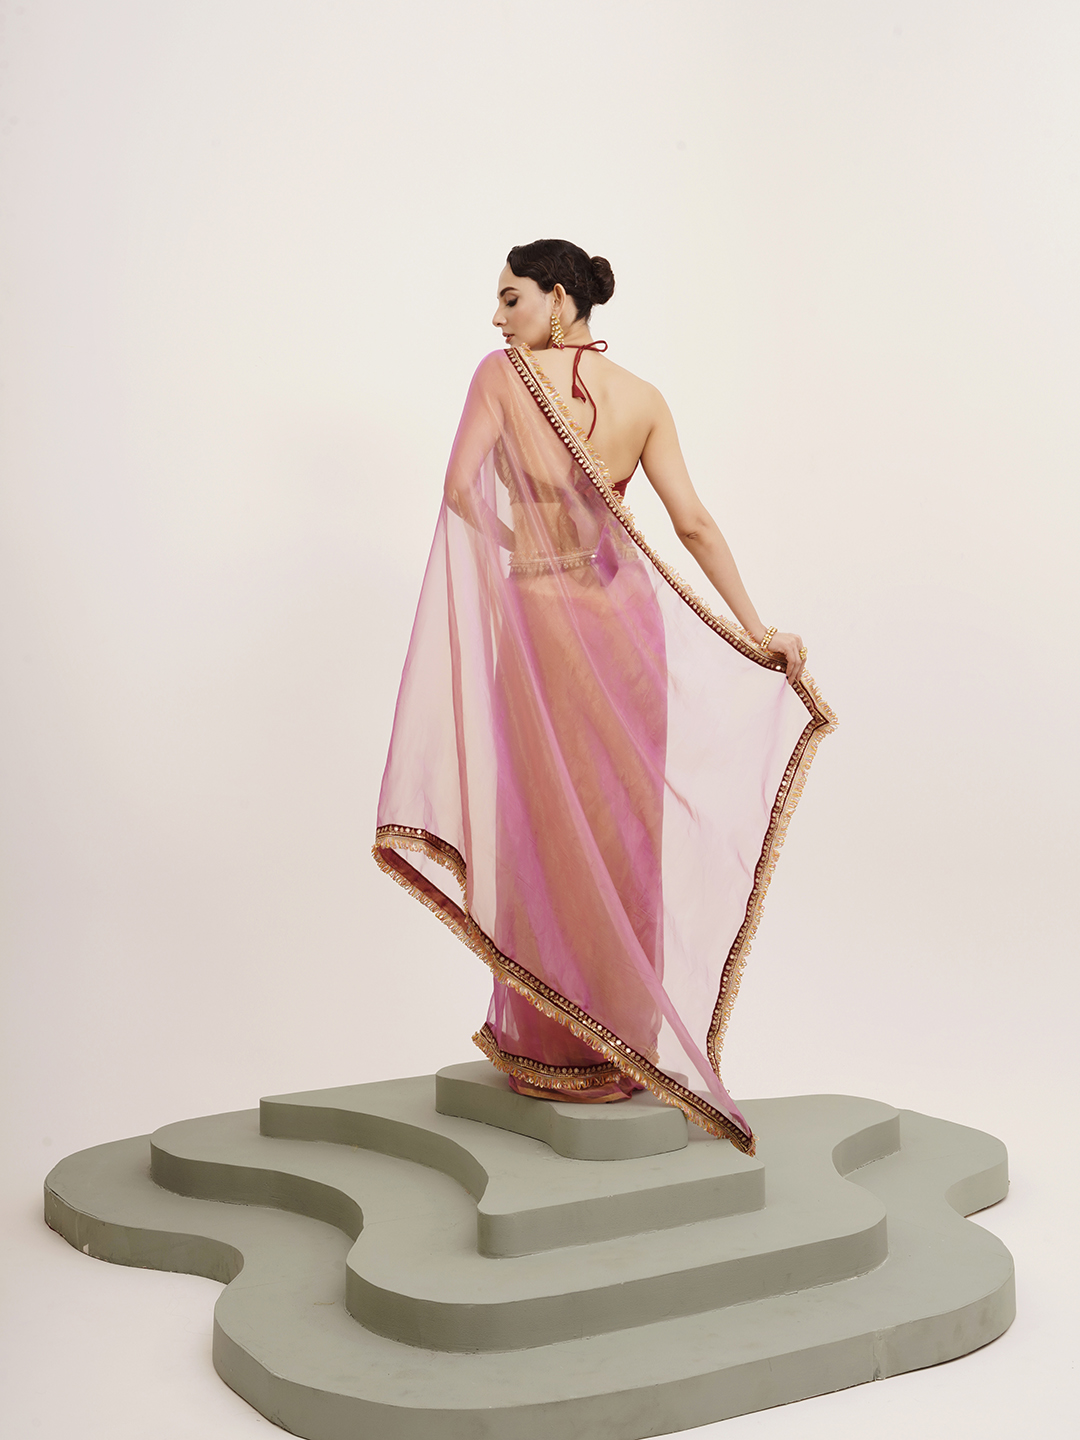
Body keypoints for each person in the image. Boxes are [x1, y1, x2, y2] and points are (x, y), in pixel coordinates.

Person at [373, 239, 834, 1153]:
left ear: (558, 298)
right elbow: (692, 523)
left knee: (544, 823)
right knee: (622, 825)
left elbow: (460, 492)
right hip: (626, 624)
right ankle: (620, 1044)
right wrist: (756, 630)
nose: (497, 317)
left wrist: (523, 539)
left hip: (545, 618)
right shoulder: (644, 399)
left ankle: (554, 1046)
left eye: (511, 297)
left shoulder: (501, 378)